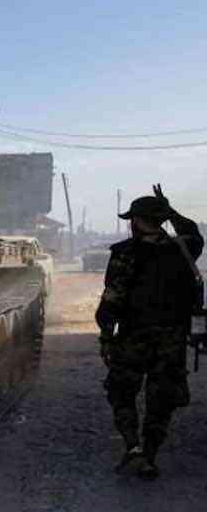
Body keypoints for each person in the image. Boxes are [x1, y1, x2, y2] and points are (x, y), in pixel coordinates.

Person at [96, 185, 203, 480]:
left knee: (121, 392)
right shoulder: (184, 249)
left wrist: (106, 336)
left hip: (134, 337)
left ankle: (133, 449)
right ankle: (150, 456)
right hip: (171, 339)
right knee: (162, 399)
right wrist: (170, 211)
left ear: (137, 221)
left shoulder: (126, 253)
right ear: (161, 220)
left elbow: (112, 300)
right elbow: (194, 232)